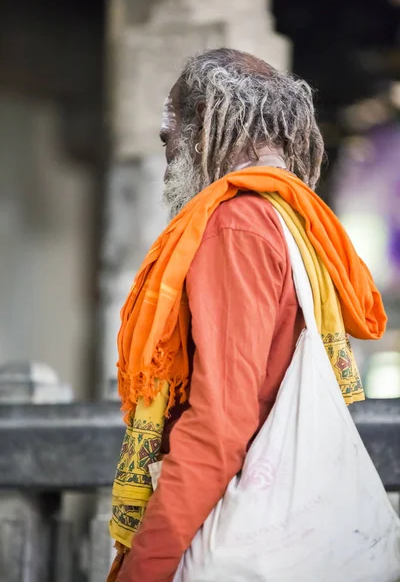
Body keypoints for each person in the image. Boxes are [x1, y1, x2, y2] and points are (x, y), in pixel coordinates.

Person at [107, 48, 386, 582]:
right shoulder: (294, 220)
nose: (166, 156)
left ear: (208, 124)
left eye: (169, 137)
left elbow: (221, 422)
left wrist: (145, 566)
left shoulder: (236, 226)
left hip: (230, 525)